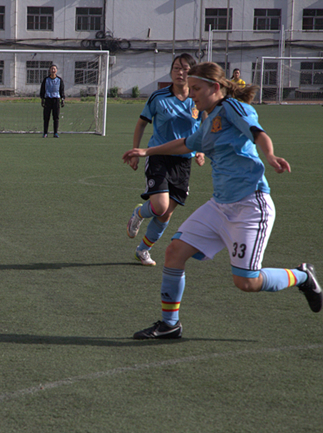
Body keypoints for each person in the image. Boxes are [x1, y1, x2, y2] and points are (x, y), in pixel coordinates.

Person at [122, 62, 321, 339]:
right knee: (174, 252)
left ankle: (302, 276)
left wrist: (270, 155)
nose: (192, 94)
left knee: (246, 282)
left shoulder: (232, 108)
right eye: (190, 89)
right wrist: (146, 151)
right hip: (219, 205)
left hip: (251, 205)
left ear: (215, 87)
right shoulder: (207, 121)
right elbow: (186, 144)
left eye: (197, 88)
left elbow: (257, 131)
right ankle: (170, 325)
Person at [126, 53, 205, 267]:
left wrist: (201, 151)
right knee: (159, 207)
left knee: (165, 214)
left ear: (193, 73)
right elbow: (142, 123)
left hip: (183, 162)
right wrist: (136, 150)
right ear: (171, 72)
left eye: (186, 69)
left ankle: (143, 250)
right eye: (177, 68)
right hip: (158, 155)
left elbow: (205, 125)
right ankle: (139, 213)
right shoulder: (158, 97)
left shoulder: (198, 99)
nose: (181, 72)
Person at [40, 64, 65, 138]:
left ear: (56, 70)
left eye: (54, 69)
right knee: (46, 117)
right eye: (52, 69)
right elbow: (42, 90)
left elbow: (61, 90)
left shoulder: (59, 80)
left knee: (56, 117)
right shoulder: (46, 79)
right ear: (49, 70)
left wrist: (62, 99)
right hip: (48, 100)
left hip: (56, 100)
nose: (53, 70)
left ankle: (55, 133)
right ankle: (45, 133)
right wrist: (42, 99)